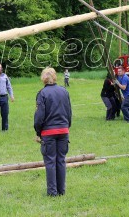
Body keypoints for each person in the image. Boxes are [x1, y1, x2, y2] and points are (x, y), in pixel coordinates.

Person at [34, 67, 72, 196]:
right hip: (63, 130)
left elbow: (39, 116)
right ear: (55, 77)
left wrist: (38, 132)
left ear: (43, 78)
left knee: (50, 161)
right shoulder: (64, 91)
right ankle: (61, 191)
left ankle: (52, 192)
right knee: (61, 160)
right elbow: (69, 112)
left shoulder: (42, 93)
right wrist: (67, 127)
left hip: (48, 132)